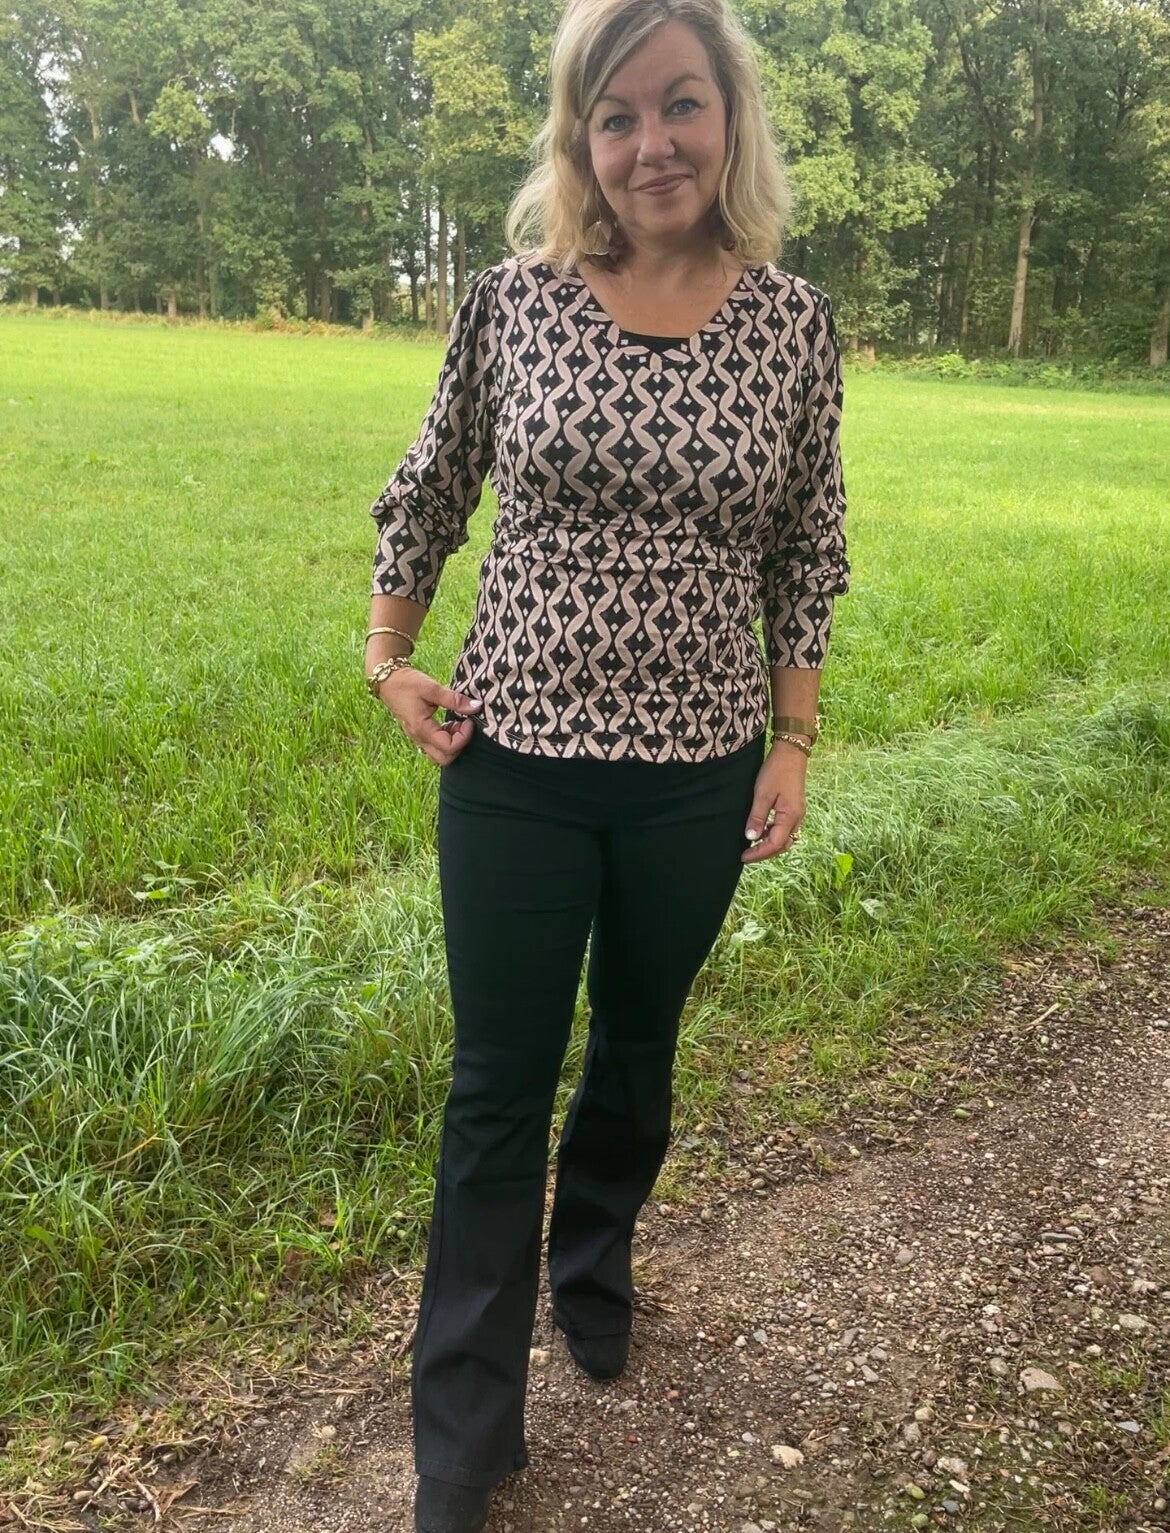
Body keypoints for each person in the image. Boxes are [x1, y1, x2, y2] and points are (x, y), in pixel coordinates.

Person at [363, 1, 848, 1528]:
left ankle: (593, 1263)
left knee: (636, 1048)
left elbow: (807, 547)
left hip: (696, 773)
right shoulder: (514, 301)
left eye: (680, 103)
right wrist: (387, 655)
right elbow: (429, 484)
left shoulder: (791, 325)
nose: (652, 143)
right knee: (496, 1087)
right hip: (511, 758)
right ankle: (461, 1435)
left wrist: (790, 738)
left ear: (728, 118)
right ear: (580, 137)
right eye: (616, 113)